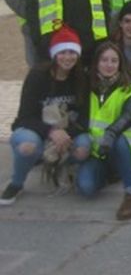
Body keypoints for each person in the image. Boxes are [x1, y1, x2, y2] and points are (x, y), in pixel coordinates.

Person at [0, 25, 89, 205]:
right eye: (62, 52)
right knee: (27, 147)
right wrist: (51, 132)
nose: (67, 57)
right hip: (36, 130)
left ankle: (61, 165)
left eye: (72, 52)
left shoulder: (81, 78)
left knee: (83, 150)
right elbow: (24, 117)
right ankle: (17, 183)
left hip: (67, 131)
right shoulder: (37, 76)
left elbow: (85, 118)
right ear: (54, 54)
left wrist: (67, 134)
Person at [76, 42, 131, 221]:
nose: (109, 65)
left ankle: (130, 194)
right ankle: (108, 174)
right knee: (86, 188)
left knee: (119, 138)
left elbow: (128, 117)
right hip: (97, 152)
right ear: (96, 63)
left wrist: (111, 134)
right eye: (104, 60)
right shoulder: (88, 88)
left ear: (120, 64)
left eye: (114, 61)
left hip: (125, 151)